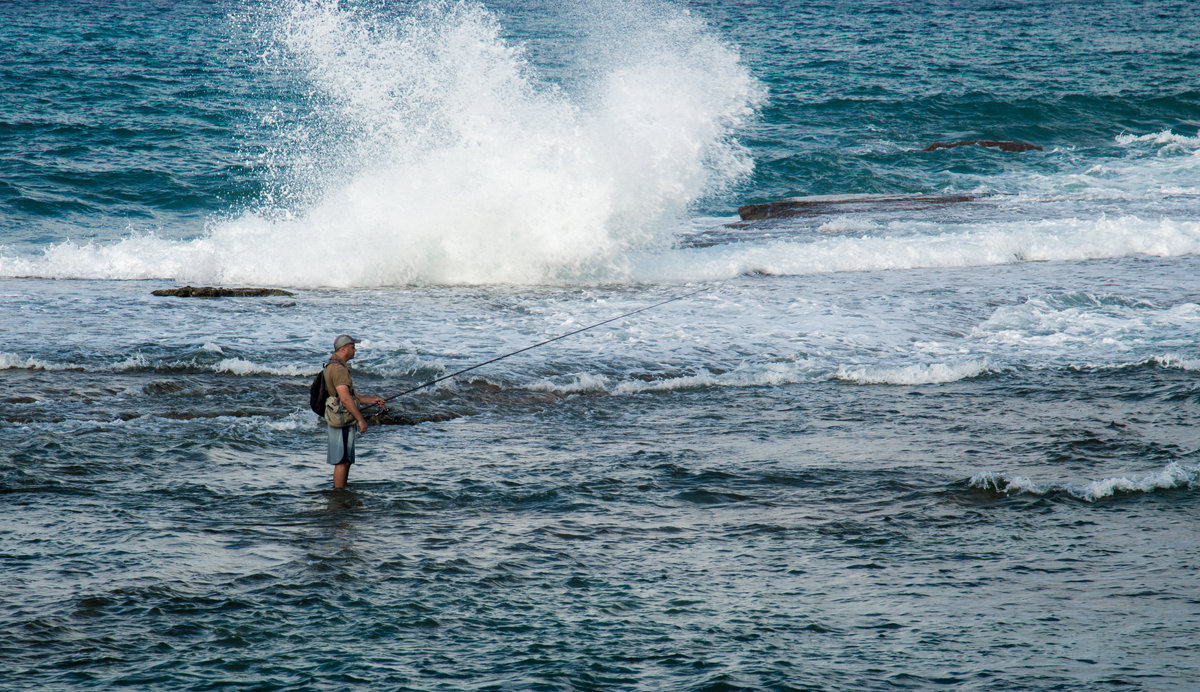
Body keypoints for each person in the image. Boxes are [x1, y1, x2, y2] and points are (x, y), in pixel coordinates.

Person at [323, 334, 385, 489]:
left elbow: (347, 396)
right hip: (342, 419)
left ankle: (341, 493)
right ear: (343, 349)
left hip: (341, 417)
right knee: (342, 460)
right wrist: (361, 419)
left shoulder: (335, 365)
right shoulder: (338, 369)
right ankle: (339, 497)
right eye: (352, 347)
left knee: (345, 460)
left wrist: (371, 400)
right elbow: (344, 398)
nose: (355, 349)